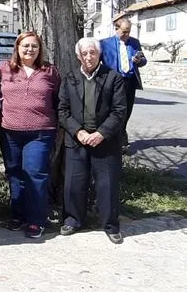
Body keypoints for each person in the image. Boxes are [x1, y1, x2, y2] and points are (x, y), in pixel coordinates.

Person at [0, 31, 61, 239]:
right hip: (9, 132)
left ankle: (36, 220)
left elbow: (59, 99)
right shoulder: (3, 69)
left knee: (35, 174)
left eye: (34, 46)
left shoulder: (49, 71)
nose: (30, 49)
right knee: (14, 174)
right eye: (25, 45)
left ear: (40, 49)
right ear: (17, 48)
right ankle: (18, 215)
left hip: (40, 132)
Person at [58, 38, 127, 244]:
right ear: (78, 56)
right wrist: (77, 131)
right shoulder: (70, 78)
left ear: (99, 54)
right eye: (84, 53)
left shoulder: (113, 78)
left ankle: (110, 225)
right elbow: (62, 110)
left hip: (105, 141)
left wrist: (101, 133)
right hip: (77, 140)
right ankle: (72, 220)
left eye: (92, 52)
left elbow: (119, 111)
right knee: (74, 183)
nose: (89, 57)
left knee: (107, 185)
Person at [99, 17, 146, 149]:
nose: (126, 34)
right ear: (116, 29)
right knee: (113, 111)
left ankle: (121, 136)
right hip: (113, 82)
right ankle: (116, 139)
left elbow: (143, 60)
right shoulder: (104, 43)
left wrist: (139, 61)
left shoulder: (135, 43)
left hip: (129, 82)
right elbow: (97, 62)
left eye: (128, 31)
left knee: (127, 111)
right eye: (124, 31)